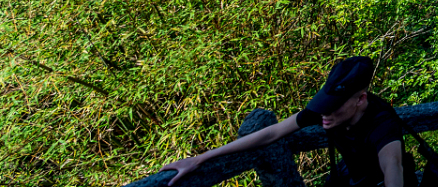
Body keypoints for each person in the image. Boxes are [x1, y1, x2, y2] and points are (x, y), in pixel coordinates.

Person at [159, 56, 419, 187]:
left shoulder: (382, 125)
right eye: (323, 108)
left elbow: (392, 166)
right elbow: (270, 133)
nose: (325, 116)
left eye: (332, 109)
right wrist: (200, 158)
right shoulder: (330, 109)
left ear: (360, 100)